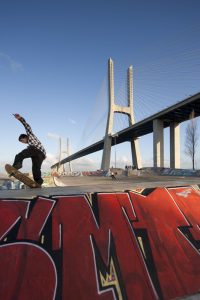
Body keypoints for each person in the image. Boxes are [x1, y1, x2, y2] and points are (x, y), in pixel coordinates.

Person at [12, 113, 46, 185]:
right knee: (36, 169)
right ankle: (38, 182)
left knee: (20, 155)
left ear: (25, 137)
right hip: (41, 155)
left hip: (36, 150)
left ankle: (17, 165)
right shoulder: (30, 144)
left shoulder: (30, 136)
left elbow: (27, 126)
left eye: (22, 141)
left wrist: (20, 118)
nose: (23, 142)